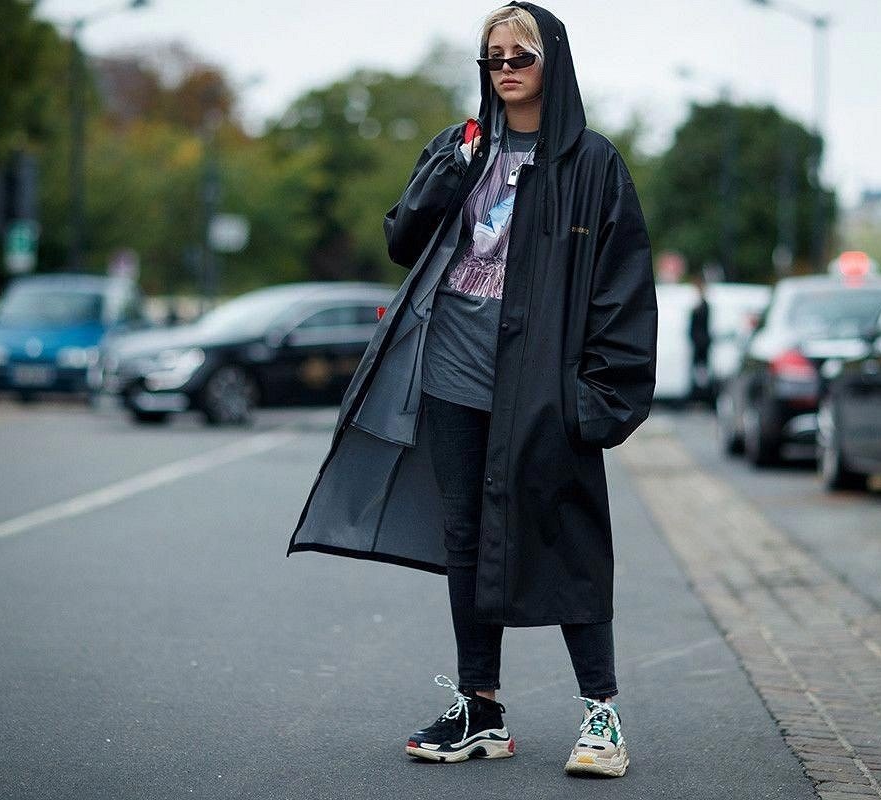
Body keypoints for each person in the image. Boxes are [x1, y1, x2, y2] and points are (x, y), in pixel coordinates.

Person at [287, 1, 657, 779]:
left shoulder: (592, 164)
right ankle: (479, 707)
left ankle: (601, 713)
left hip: (545, 388)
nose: (507, 71)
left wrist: (596, 401)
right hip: (453, 373)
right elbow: (401, 239)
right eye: (494, 58)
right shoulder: (462, 147)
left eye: (521, 56)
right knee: (466, 539)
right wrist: (452, 168)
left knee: (567, 532)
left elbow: (622, 293)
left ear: (552, 60)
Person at [688, 273, 712, 403]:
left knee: (701, 372)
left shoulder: (702, 306)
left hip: (701, 345)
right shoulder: (701, 305)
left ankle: (701, 397)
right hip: (700, 344)